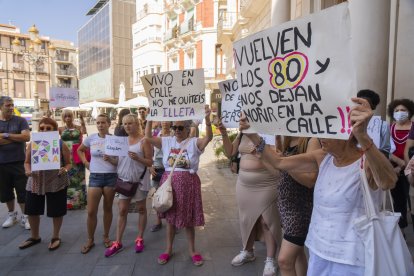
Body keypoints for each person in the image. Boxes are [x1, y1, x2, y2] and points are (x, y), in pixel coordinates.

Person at [239, 97, 397, 275]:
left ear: (347, 132)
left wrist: (364, 136)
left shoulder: (365, 161)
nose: (321, 136)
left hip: (352, 259)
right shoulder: (323, 157)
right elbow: (278, 162)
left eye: (327, 130)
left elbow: (388, 181)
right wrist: (253, 134)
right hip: (319, 249)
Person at [145, 106, 213, 266]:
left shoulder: (194, 142)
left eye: (180, 127)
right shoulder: (166, 140)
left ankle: (192, 250)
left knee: (188, 219)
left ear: (188, 128)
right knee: (170, 219)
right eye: (175, 127)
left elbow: (208, 138)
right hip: (170, 185)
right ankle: (168, 249)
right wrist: (149, 118)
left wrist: (208, 120)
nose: (176, 130)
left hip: (189, 185)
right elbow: (147, 137)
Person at [218, 121, 282, 276]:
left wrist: (260, 151)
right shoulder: (243, 132)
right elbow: (230, 151)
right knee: (246, 219)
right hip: (244, 184)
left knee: (267, 221)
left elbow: (279, 161)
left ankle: (270, 259)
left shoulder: (275, 129)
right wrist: (224, 133)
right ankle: (248, 251)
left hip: (267, 183)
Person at [19, 118, 71, 250]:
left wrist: (64, 169)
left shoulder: (60, 144)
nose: (44, 130)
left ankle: (55, 236)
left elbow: (68, 163)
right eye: (42, 128)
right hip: (36, 180)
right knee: (32, 209)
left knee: (56, 210)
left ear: (55, 130)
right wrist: (28, 171)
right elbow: (26, 162)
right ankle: (34, 236)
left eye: (48, 128)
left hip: (56, 180)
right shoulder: (33, 144)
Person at [105, 114, 153, 257]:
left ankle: (139, 238)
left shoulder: (144, 141)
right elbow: (118, 162)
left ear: (137, 124)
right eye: (124, 124)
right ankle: (118, 241)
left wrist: (138, 158)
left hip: (139, 181)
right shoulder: (121, 141)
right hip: (123, 181)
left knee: (141, 209)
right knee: (122, 210)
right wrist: (109, 160)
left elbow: (150, 162)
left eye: (130, 123)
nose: (127, 126)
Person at [276, 136, 320, 276]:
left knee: (284, 260)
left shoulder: (311, 140)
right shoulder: (287, 140)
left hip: (300, 208)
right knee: (298, 253)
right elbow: (280, 171)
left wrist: (284, 162)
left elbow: (310, 179)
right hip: (286, 205)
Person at [78, 114, 118, 254]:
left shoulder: (114, 140)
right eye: (98, 122)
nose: (100, 125)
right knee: (91, 211)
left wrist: (112, 160)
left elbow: (119, 161)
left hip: (110, 176)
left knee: (108, 209)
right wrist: (85, 162)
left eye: (103, 122)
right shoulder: (91, 138)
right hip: (95, 176)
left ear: (108, 124)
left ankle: (106, 237)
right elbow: (80, 150)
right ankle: (90, 239)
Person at [0, 96, 31, 229]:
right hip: (1, 163)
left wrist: (5, 135)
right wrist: (16, 138)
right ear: (1, 107)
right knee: (5, 191)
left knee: (22, 191)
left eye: (12, 105)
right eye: (8, 105)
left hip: (19, 161)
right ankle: (12, 215)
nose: (11, 108)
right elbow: (20, 137)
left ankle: (25, 217)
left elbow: (26, 137)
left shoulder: (20, 120)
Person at [387, 98, 414, 230]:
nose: (399, 112)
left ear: (410, 112)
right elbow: (385, 149)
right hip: (394, 169)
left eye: (403, 110)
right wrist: (397, 164)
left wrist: (404, 165)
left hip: (411, 168)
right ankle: (401, 230)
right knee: (398, 201)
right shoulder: (389, 128)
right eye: (397, 110)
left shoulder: (413, 128)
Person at [59, 110, 88, 210]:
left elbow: (85, 133)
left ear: (72, 117)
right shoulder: (60, 129)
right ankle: (68, 203)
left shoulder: (78, 127)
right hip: (66, 156)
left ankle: (80, 202)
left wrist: (82, 120)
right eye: (65, 116)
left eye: (69, 116)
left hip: (77, 155)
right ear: (63, 118)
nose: (67, 118)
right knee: (67, 179)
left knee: (79, 179)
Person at [149, 121, 172, 232]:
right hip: (157, 167)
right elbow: (149, 151)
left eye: (166, 121)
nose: (165, 123)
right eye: (163, 120)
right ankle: (158, 221)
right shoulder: (155, 134)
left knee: (170, 194)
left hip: (170, 168)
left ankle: (172, 221)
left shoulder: (174, 135)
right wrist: (150, 165)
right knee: (156, 194)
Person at [357, 89, 391, 156]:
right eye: (359, 103)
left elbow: (385, 149)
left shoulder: (382, 125)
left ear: (373, 106)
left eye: (366, 103)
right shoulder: (348, 123)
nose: (361, 106)